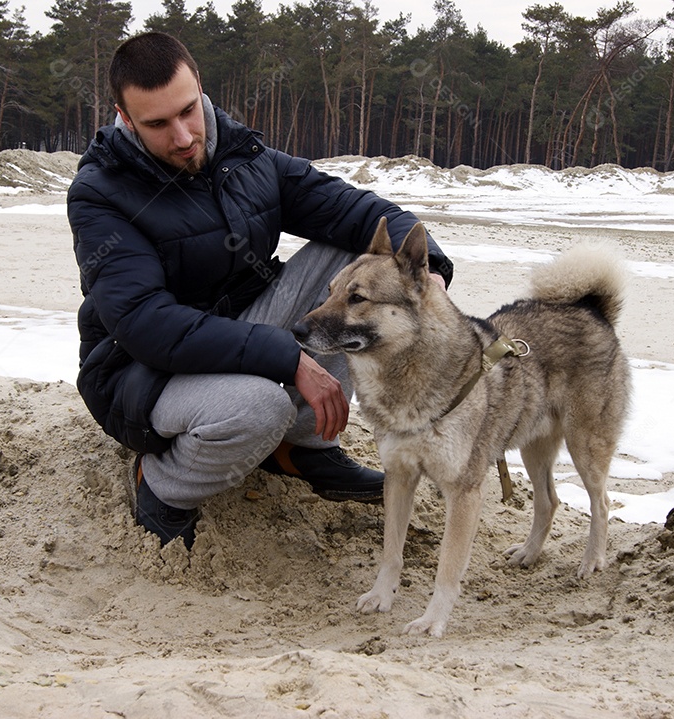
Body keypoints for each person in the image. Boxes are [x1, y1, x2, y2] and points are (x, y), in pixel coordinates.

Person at [67, 31, 453, 550]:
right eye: (157, 124)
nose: (183, 136)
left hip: (239, 326)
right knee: (258, 408)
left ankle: (303, 447)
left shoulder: (244, 155)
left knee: (361, 260)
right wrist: (287, 360)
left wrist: (430, 275)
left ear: (200, 88)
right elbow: (144, 324)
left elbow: (352, 210)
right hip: (145, 370)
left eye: (188, 111)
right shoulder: (101, 193)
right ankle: (163, 485)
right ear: (124, 115)